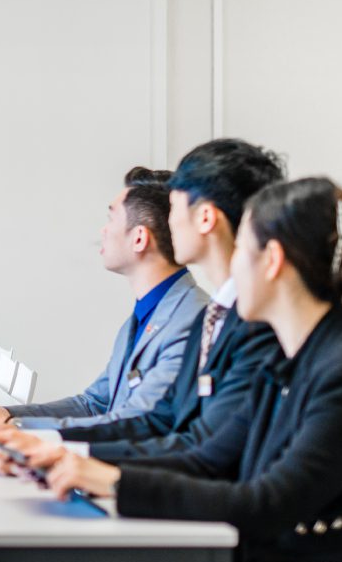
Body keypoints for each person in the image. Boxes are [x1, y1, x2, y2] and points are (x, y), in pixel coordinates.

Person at [0, 178, 342, 562]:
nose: (230, 270)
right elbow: (207, 457)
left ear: (271, 260)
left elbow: (266, 503)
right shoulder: (290, 357)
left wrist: (108, 479)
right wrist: (62, 458)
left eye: (242, 252)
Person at [50, 139, 284, 462]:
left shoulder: (245, 325)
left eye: (173, 207)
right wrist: (40, 441)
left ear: (204, 218)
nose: (168, 221)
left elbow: (203, 450)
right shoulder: (212, 317)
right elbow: (160, 420)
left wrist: (102, 475)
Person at [0, 167, 207, 432]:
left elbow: (138, 423)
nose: (103, 230)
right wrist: (2, 414)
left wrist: (15, 426)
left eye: (111, 218)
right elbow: (93, 403)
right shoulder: (142, 316)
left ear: (139, 238)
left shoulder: (192, 320)